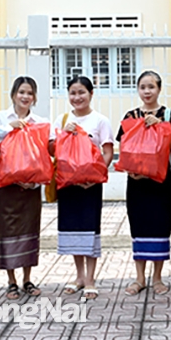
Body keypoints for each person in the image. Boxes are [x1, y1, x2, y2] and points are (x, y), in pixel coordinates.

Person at [116, 71, 171, 296]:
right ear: (138, 90)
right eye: (143, 87)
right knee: (139, 227)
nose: (147, 91)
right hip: (136, 183)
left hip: (160, 182)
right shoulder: (130, 115)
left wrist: (161, 126)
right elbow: (123, 148)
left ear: (159, 89)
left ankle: (158, 278)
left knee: (160, 227)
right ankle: (140, 277)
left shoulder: (169, 114)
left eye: (151, 87)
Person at [49, 75, 114, 300]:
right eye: (73, 93)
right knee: (73, 230)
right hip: (68, 184)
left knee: (90, 229)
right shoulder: (62, 119)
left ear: (91, 94)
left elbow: (107, 152)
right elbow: (52, 150)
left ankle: (90, 278)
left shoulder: (100, 121)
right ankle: (78, 276)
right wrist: (63, 134)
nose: (77, 97)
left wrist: (95, 176)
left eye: (81, 92)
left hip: (90, 185)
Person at [0, 76, 48, 299]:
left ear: (34, 97)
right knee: (8, 229)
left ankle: (27, 279)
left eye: (30, 93)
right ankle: (11, 281)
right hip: (8, 185)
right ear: (13, 94)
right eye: (21, 92)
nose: (25, 97)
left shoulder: (40, 122)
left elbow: (43, 155)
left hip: (31, 186)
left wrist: (35, 179)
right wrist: (7, 129)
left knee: (30, 228)